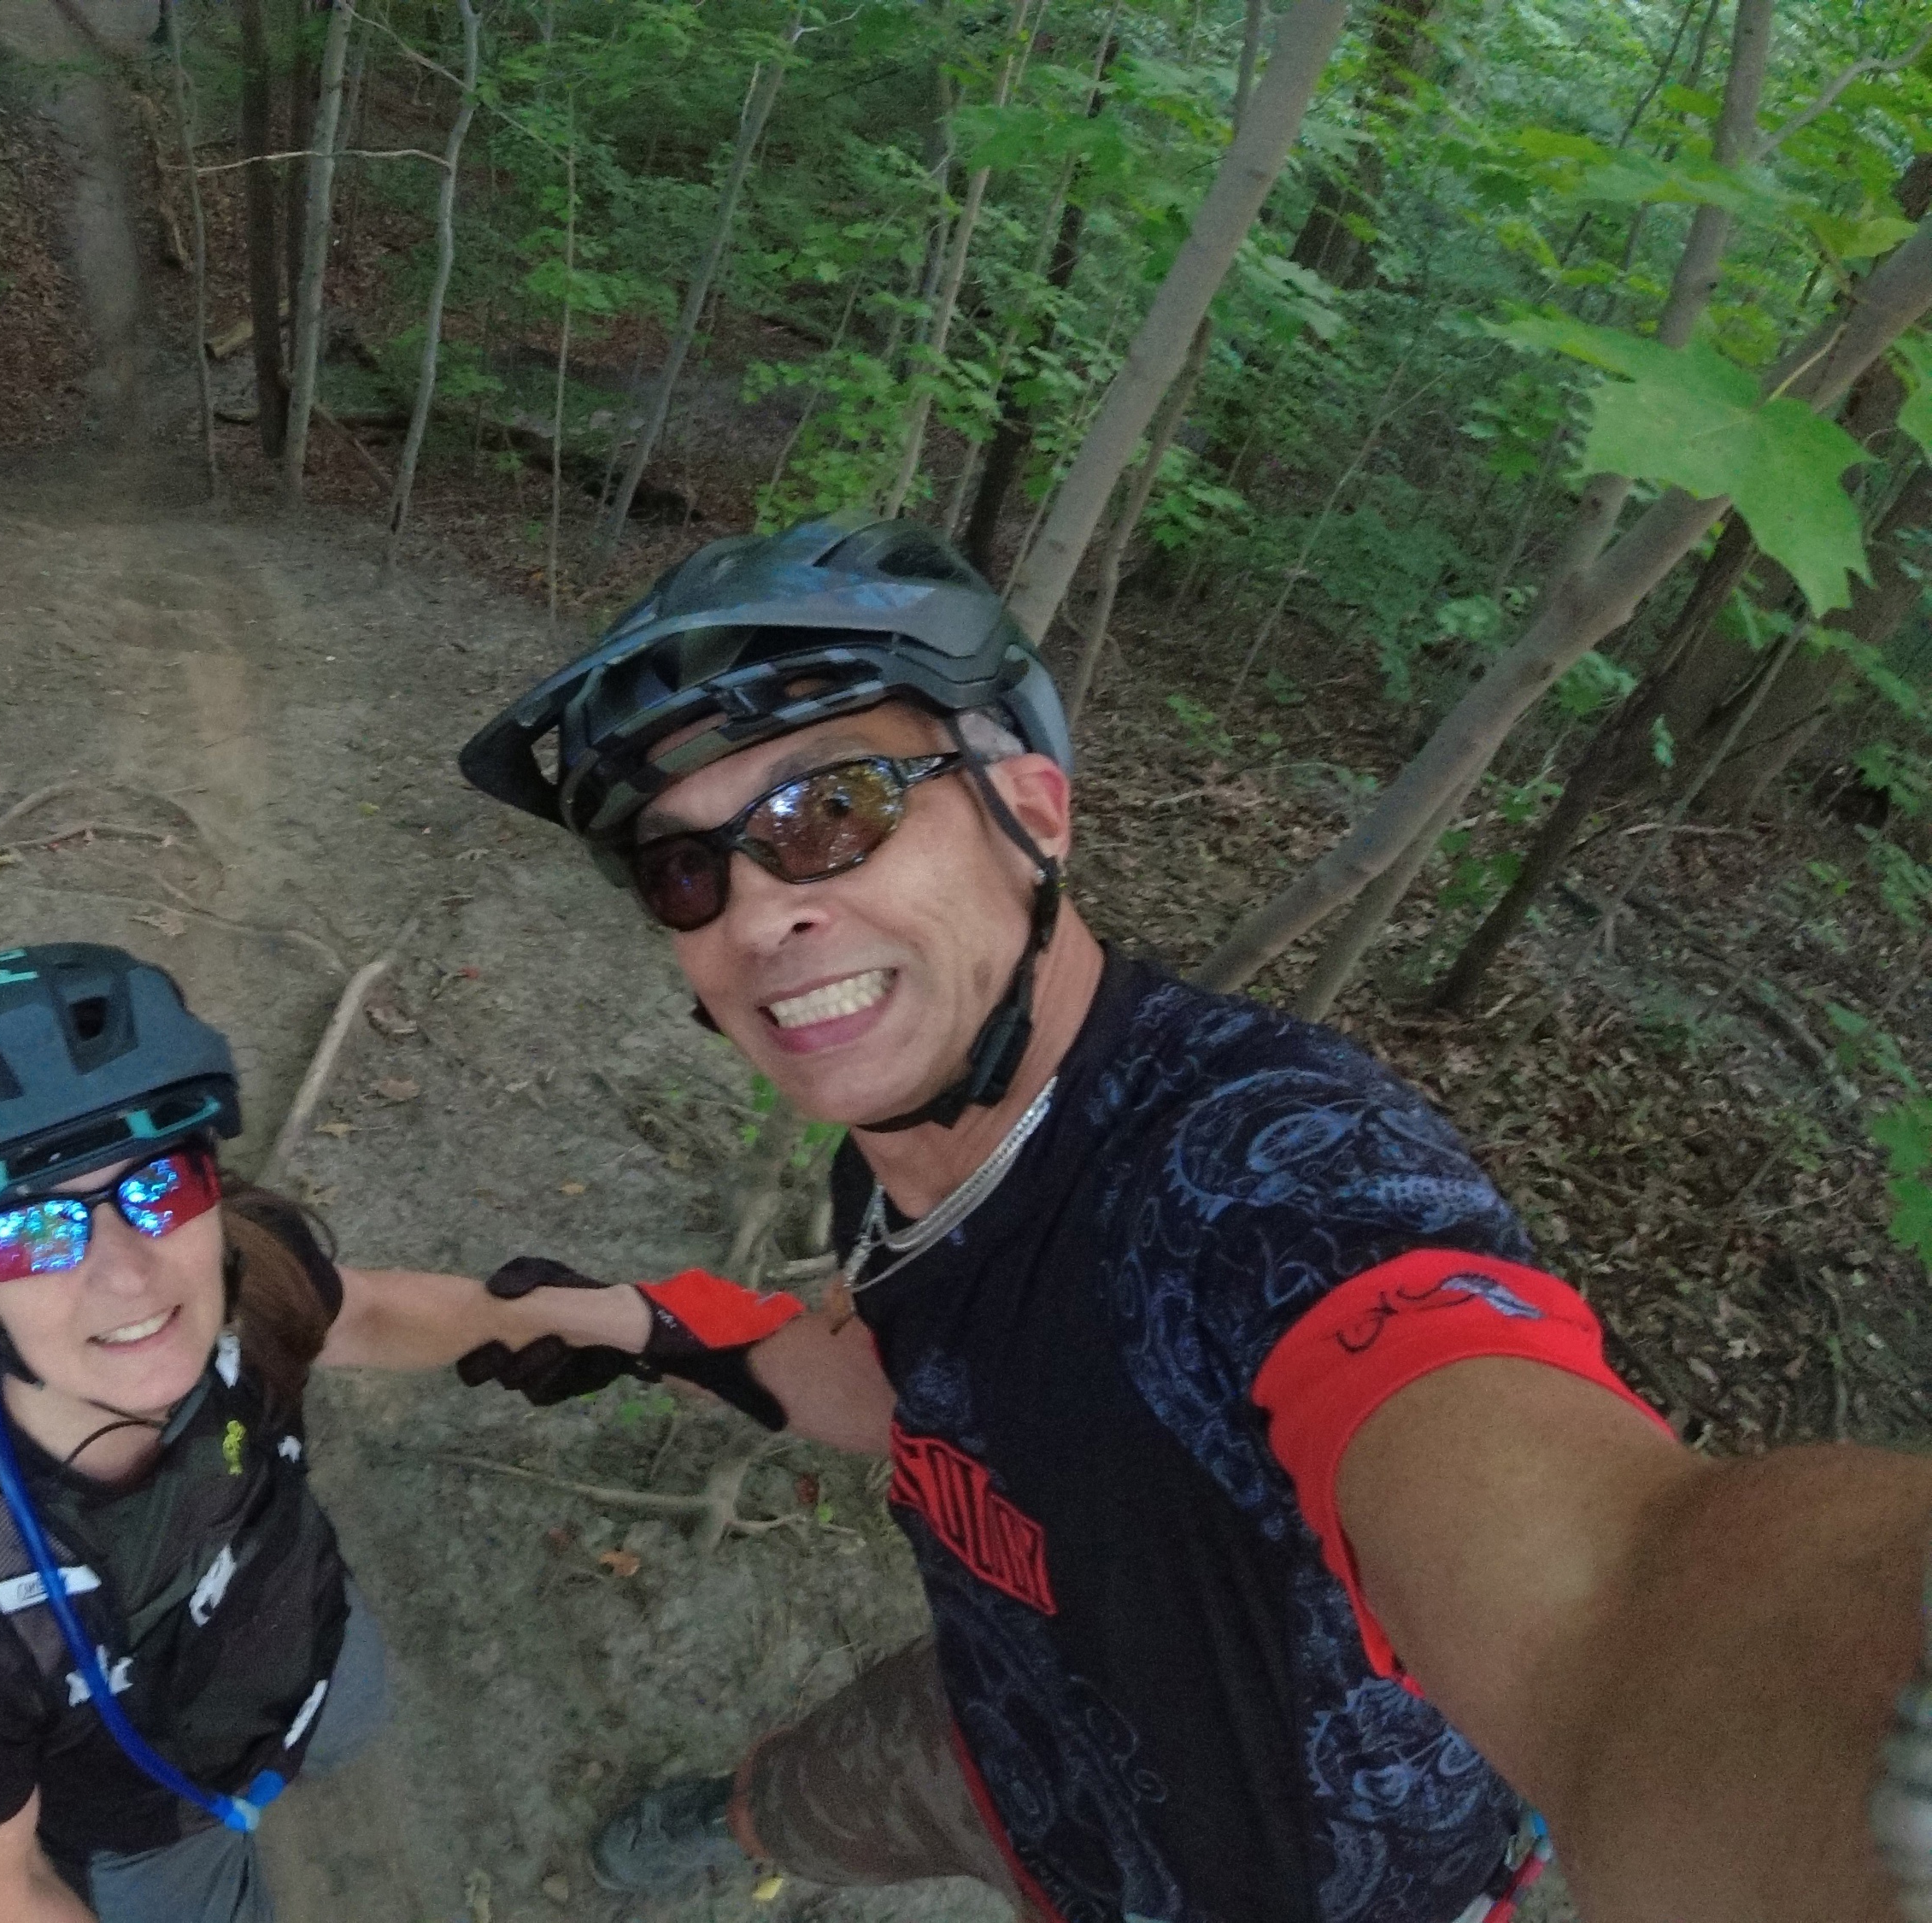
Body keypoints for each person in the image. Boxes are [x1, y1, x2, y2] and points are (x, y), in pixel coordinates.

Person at [449, 515, 1932, 1922]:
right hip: (1002, 1727)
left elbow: (1621, 1598)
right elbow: (908, 1376)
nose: (756, 913)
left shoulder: (1269, 1179)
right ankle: (745, 1820)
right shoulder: (902, 1148)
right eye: (686, 870)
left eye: (832, 811)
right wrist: (645, 1328)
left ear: (1032, 815)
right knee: (823, 1785)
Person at [0, 942, 804, 1923]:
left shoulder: (246, 1278)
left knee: (349, 1714)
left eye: (160, 1186)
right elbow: (9, 1892)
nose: (127, 1274)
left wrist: (628, 1324)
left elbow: (362, 1315)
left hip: (307, 1640)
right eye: (29, 1232)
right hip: (151, 1824)